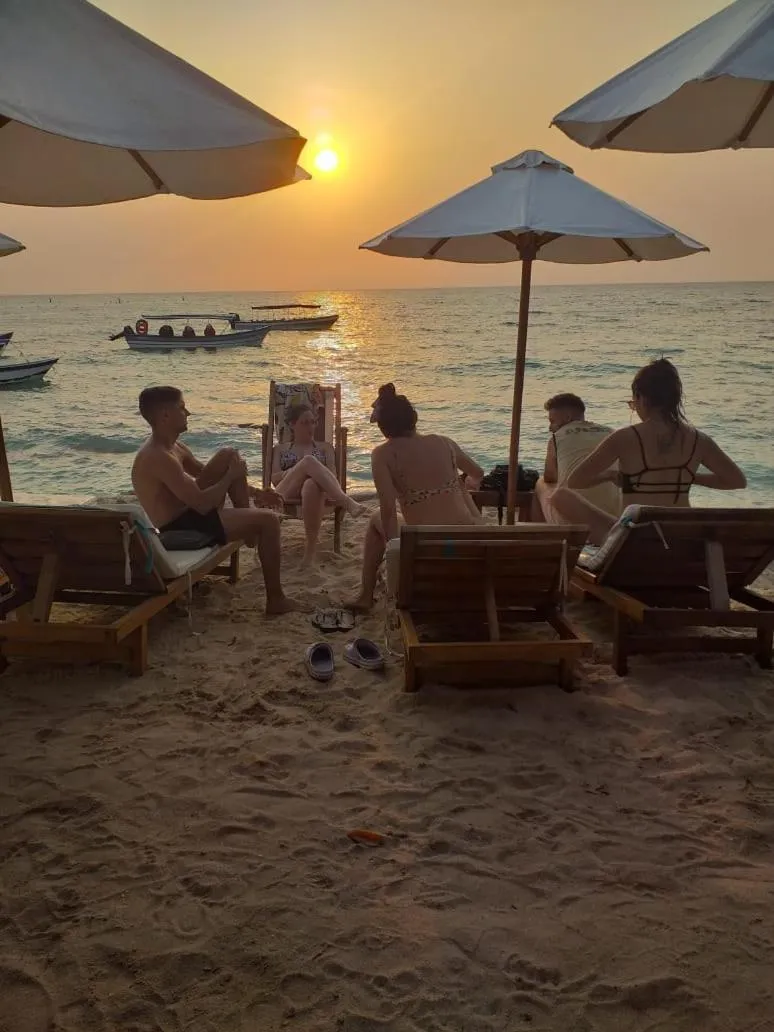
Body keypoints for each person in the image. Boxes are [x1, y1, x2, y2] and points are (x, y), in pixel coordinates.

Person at [131, 386, 299, 614]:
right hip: (181, 527)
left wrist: (256, 492)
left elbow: (207, 476)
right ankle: (276, 600)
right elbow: (202, 504)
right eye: (182, 408)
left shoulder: (175, 447)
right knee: (269, 521)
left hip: (192, 514)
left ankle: (249, 526)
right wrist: (231, 476)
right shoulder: (158, 457)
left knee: (228, 454)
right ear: (165, 415)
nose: (188, 412)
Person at [551, 359, 746, 544]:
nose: (634, 408)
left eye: (633, 403)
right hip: (679, 538)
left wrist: (609, 476)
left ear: (642, 398)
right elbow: (736, 480)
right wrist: (689, 477)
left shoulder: (624, 437)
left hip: (632, 541)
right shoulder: (698, 439)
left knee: (561, 497)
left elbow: (576, 480)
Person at [345, 383, 484, 611]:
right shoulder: (444, 442)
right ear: (413, 418)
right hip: (466, 543)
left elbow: (388, 509)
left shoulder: (383, 454)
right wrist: (460, 484)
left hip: (429, 550)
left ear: (383, 426)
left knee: (375, 520)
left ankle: (365, 596)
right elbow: (477, 473)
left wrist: (394, 552)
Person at [271, 401, 368, 567]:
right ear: (293, 425)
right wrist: (298, 469)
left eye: (313, 422)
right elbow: (274, 479)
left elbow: (333, 477)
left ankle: (310, 552)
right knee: (308, 461)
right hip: (284, 494)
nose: (311, 426)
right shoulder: (281, 449)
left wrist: (310, 473)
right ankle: (346, 501)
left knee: (311, 485)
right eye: (305, 422)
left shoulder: (326, 448)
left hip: (318, 494)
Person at [532, 392, 620, 523]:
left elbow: (550, 477)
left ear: (567, 418)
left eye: (552, 421)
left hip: (571, 519)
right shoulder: (612, 432)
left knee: (541, 483)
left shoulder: (557, 437)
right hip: (611, 518)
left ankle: (542, 536)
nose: (550, 428)